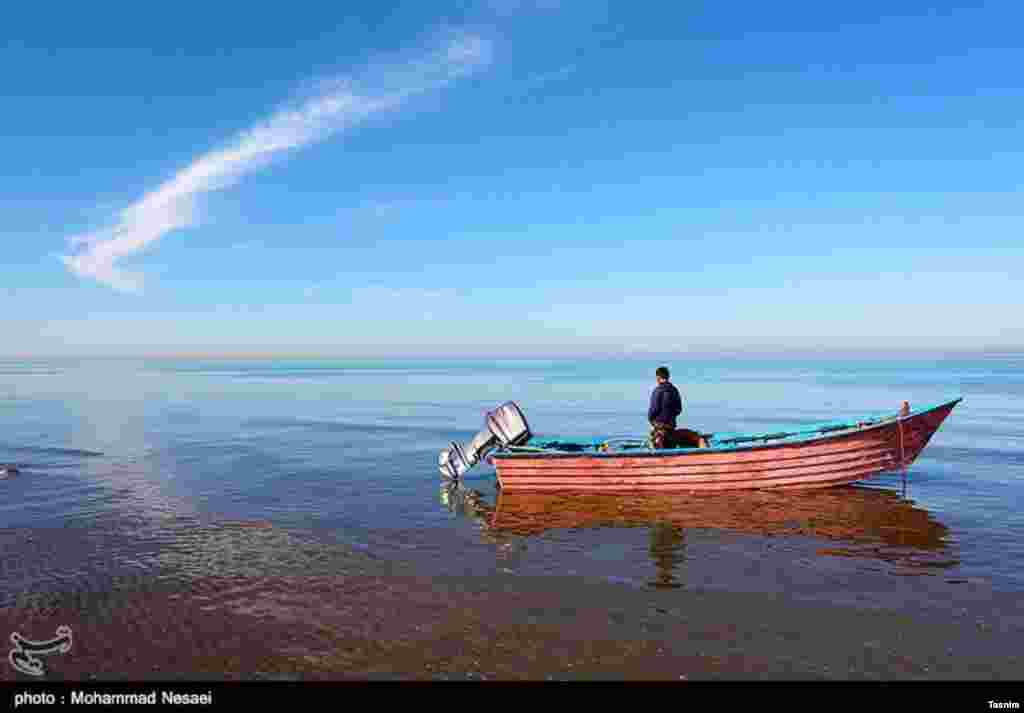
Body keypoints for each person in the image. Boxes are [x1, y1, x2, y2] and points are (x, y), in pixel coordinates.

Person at [647, 366, 683, 449]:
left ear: (658, 377)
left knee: (654, 446)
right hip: (671, 427)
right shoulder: (674, 390)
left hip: (659, 427)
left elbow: (654, 409)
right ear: (668, 376)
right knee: (671, 449)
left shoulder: (658, 390)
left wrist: (651, 419)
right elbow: (679, 409)